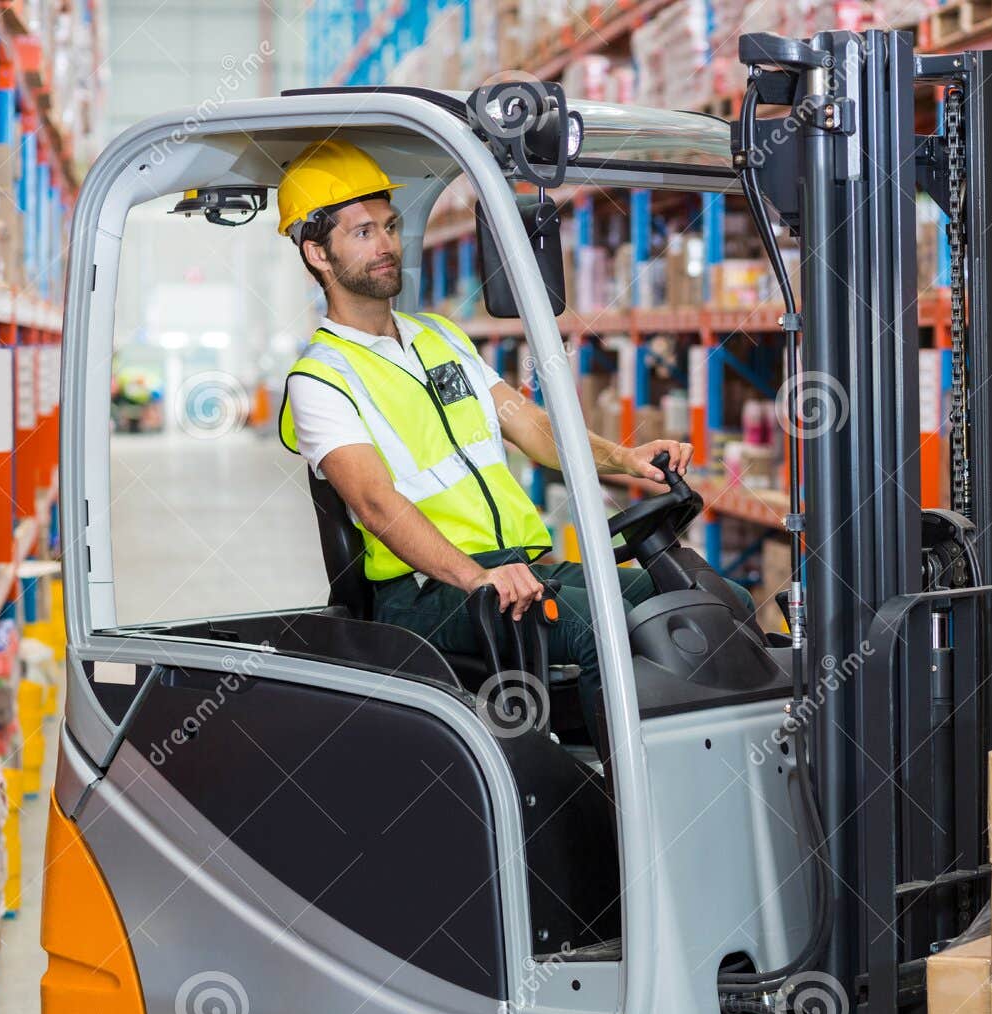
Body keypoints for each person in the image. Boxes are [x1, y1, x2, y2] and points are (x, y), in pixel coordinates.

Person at [275, 140, 752, 735]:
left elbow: (530, 425)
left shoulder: (441, 337)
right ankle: (627, 813)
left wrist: (625, 458)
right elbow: (374, 504)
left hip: (519, 568)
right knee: (612, 629)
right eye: (363, 233)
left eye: (391, 227)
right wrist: (476, 579)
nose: (388, 246)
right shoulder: (321, 377)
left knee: (717, 601)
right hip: (430, 591)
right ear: (317, 252)